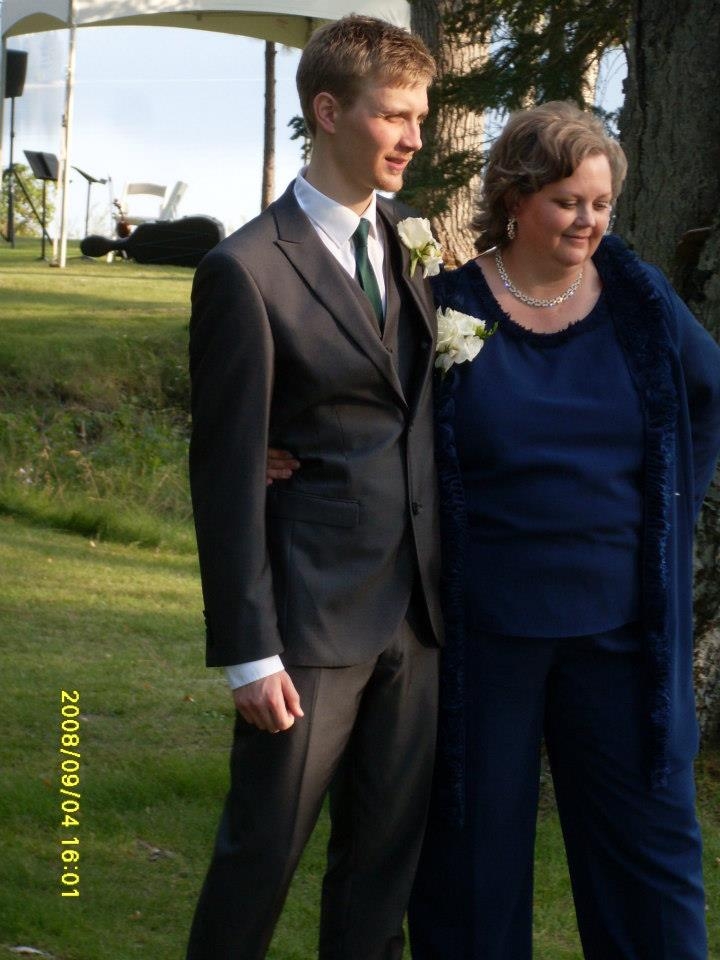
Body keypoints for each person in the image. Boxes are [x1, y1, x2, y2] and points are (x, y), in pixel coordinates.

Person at [405, 101, 720, 959]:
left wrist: (667, 513)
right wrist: (290, 451)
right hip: (483, 638)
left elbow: (707, 393)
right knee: (473, 859)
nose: (588, 221)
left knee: (647, 853)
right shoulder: (444, 308)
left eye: (601, 204)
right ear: (515, 197)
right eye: (567, 202)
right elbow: (373, 427)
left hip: (621, 636)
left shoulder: (640, 302)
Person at [185, 15, 444, 960]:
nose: (416, 136)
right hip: (306, 627)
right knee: (260, 858)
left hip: (416, 620)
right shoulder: (244, 270)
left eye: (423, 115)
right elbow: (222, 469)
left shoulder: (409, 246)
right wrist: (248, 650)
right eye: (397, 115)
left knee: (382, 870)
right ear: (329, 112)